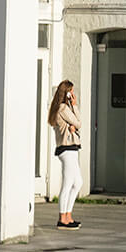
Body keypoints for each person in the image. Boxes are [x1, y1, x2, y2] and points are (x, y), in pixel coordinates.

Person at [47, 81, 82, 230]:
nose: (73, 94)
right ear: (66, 93)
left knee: (78, 183)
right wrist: (74, 105)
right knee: (68, 183)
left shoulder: (60, 108)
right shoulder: (63, 108)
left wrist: (73, 123)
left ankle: (68, 215)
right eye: (71, 91)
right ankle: (63, 218)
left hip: (70, 149)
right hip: (67, 149)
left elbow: (75, 124)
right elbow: (78, 123)